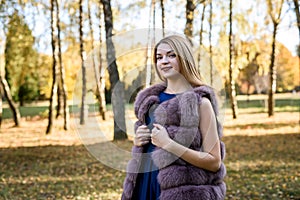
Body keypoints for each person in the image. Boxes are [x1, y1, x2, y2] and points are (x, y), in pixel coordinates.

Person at [122, 35, 226, 200]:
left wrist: (169, 144)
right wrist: (138, 142)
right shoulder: (149, 101)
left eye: (171, 55)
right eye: (159, 57)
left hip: (180, 192)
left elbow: (214, 162)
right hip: (144, 184)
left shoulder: (200, 103)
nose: (164, 61)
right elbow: (149, 148)